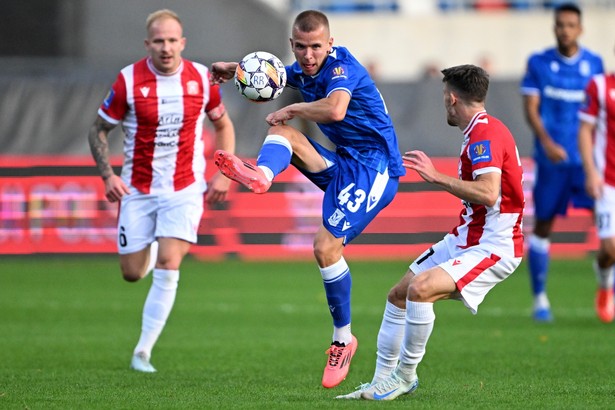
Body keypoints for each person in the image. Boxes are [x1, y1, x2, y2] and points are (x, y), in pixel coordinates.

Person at [210, 10, 405, 388]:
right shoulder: (302, 67)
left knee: (324, 247)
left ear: (329, 44)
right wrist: (233, 69)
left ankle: (342, 339)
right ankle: (263, 175)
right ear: (292, 45)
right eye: (301, 47)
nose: (308, 55)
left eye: (316, 46)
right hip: (346, 163)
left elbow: (336, 109)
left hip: (375, 169)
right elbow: (272, 75)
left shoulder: (340, 70)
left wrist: (295, 106)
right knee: (284, 133)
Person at [337, 64, 525, 401]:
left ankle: (405, 376)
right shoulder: (480, 131)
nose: (444, 104)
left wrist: (435, 176)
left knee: (421, 289)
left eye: (444, 98)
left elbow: (489, 193)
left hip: (495, 246)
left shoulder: (486, 134)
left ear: (452, 98)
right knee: (399, 294)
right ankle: (381, 380)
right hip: (466, 237)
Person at [87, 9, 235, 372]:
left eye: (172, 40)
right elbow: (97, 131)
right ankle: (151, 246)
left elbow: (224, 125)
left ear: (182, 42)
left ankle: (143, 351)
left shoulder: (202, 78)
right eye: (159, 41)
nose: (166, 48)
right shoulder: (128, 81)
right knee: (133, 273)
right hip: (137, 188)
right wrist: (108, 176)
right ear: (147, 44)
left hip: (185, 188)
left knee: (171, 263)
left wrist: (225, 172)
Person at [520, 2, 603, 322]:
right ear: (554, 27)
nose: (565, 30)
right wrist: (547, 143)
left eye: (571, 25)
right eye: (560, 24)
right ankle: (540, 299)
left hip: (587, 162)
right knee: (543, 225)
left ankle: (605, 289)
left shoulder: (594, 64)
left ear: (580, 29)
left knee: (606, 224)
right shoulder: (539, 63)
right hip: (551, 160)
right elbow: (531, 108)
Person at [578, 58, 615, 323]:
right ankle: (605, 285)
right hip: (607, 181)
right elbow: (585, 130)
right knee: (609, 249)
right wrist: (591, 172)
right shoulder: (600, 86)